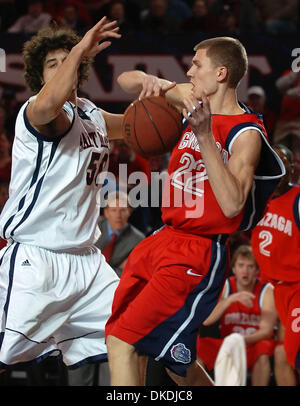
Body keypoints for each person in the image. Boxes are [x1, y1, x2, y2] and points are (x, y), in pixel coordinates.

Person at [105, 36, 285, 385]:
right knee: (170, 365)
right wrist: (148, 82)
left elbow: (233, 204)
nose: (188, 70)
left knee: (123, 340)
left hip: (198, 250)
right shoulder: (190, 99)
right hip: (164, 238)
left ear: (220, 73)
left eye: (196, 64)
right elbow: (123, 80)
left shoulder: (246, 132)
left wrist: (204, 136)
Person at [0, 17, 123, 372]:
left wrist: (166, 94)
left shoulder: (91, 114)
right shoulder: (37, 110)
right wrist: (81, 49)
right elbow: (51, 102)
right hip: (36, 261)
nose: (60, 68)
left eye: (65, 61)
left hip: (88, 263)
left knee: (136, 335)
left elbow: (136, 125)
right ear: (40, 77)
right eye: (52, 64)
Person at [251, 144, 300, 381]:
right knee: (289, 356)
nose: (279, 169)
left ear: (293, 169)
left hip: (297, 286)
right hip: (276, 288)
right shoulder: (255, 199)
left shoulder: (298, 198)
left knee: (295, 350)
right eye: (274, 163)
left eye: (284, 163)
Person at [196, 245, 277, 386]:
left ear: (257, 270)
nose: (245, 271)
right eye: (241, 265)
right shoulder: (226, 285)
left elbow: (266, 332)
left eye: (250, 266)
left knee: (263, 350)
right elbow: (207, 320)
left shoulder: (267, 290)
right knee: (198, 347)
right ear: (233, 269)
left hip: (252, 343)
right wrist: (230, 299)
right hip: (227, 343)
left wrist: (238, 340)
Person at [96, 190, 145, 278]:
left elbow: (128, 274)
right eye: (114, 210)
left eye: (123, 210)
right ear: (106, 213)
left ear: (129, 212)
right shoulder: (93, 229)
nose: (118, 215)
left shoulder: (138, 240)